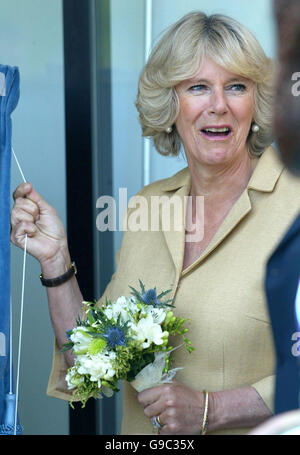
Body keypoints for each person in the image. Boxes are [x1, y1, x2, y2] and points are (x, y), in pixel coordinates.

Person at [10, 11, 300, 435]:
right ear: (170, 103)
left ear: (257, 102)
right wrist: (56, 260)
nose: (218, 105)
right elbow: (90, 361)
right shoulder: (150, 205)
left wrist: (210, 408)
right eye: (198, 87)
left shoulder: (295, 203)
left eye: (236, 86)